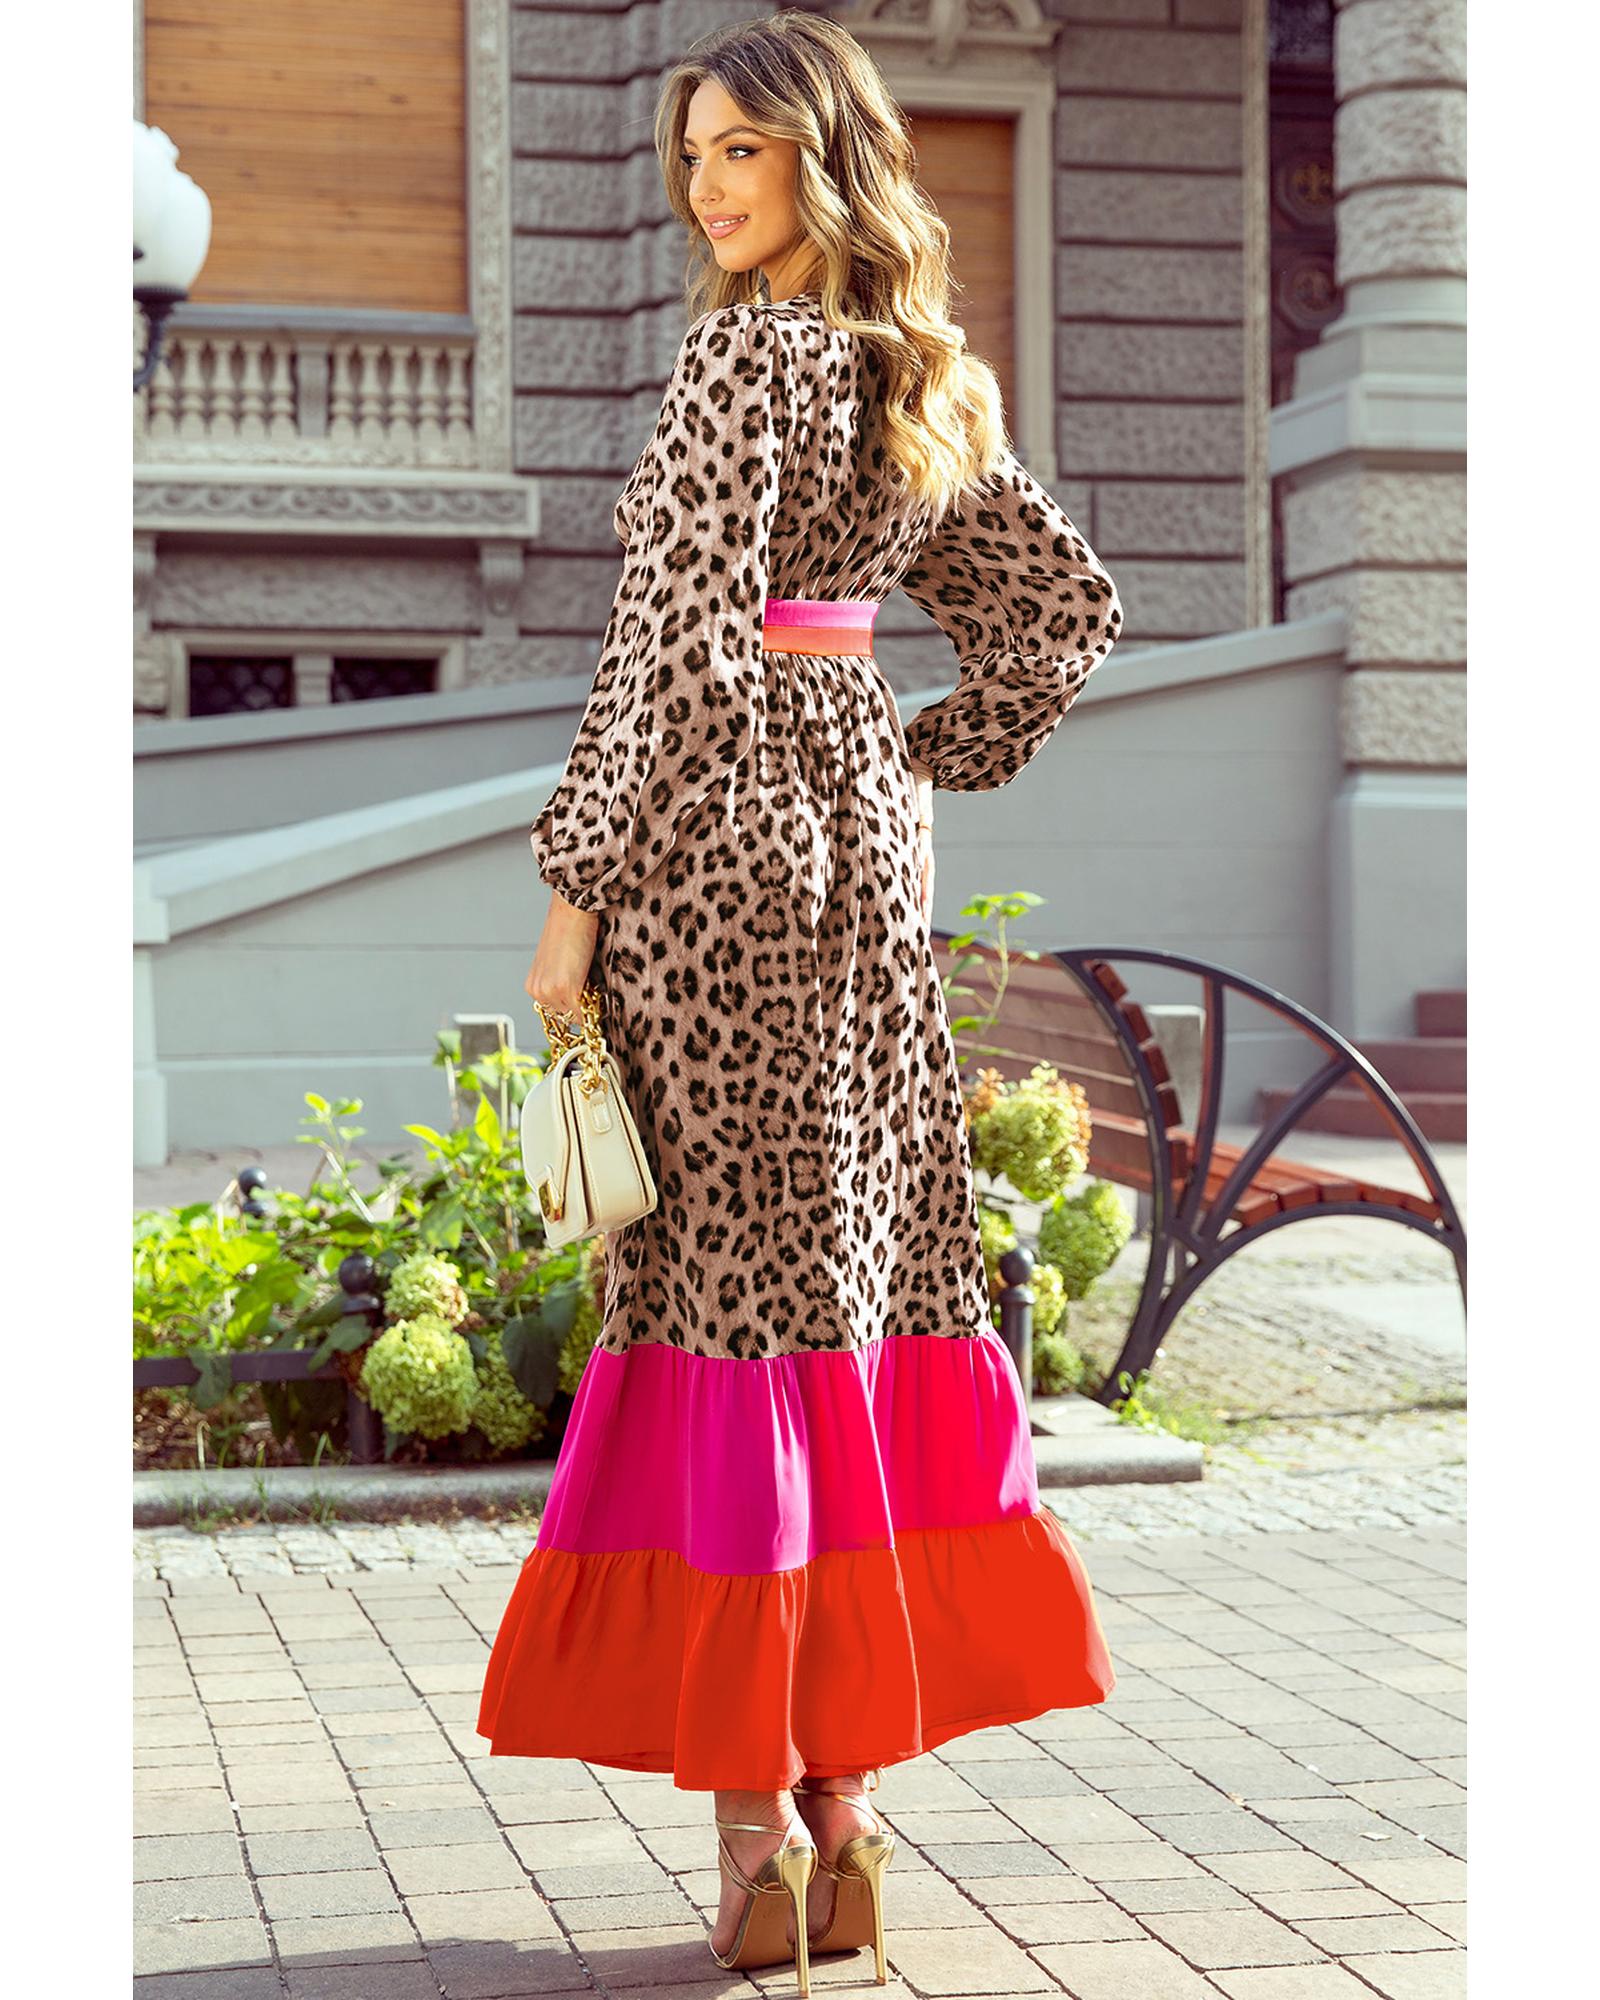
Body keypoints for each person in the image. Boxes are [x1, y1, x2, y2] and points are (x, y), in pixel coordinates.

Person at [476, 14, 1122, 1992]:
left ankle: (756, 1846)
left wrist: (574, 895)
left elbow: (671, 651)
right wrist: (920, 744)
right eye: (691, 156)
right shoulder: (925, 374)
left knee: (717, 1302)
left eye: (739, 152)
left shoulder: (739, 360)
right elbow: (1063, 613)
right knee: (839, 1290)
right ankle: (848, 1833)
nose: (706, 189)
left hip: (712, 865)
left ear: (821, 156)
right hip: (859, 847)